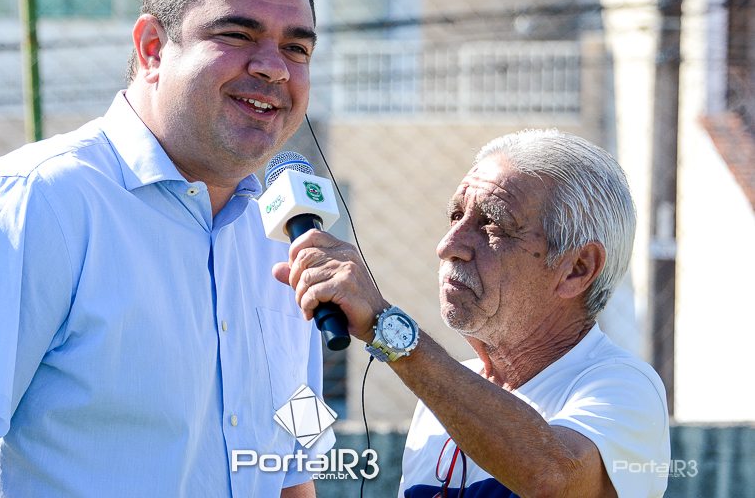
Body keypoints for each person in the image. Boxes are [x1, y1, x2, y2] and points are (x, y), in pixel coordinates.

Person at [0, 0, 331, 497]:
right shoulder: (33, 204)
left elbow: (291, 470)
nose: (274, 68)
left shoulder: (285, 240)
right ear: (152, 48)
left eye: (297, 48)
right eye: (237, 34)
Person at [275, 129, 671, 497]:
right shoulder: (444, 393)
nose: (449, 245)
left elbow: (552, 479)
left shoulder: (623, 385)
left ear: (577, 268)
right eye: (455, 216)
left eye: (492, 224)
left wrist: (389, 330)